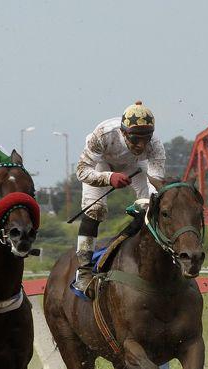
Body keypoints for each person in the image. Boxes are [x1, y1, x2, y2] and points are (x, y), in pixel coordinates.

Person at [72, 101, 165, 297]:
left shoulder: (156, 145)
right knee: (96, 210)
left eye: (146, 138)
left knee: (152, 204)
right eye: (135, 138)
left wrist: (148, 203)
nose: (141, 145)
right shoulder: (103, 134)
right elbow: (81, 171)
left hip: (134, 165)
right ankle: (84, 271)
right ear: (123, 132)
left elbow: (156, 182)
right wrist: (108, 177)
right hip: (101, 163)